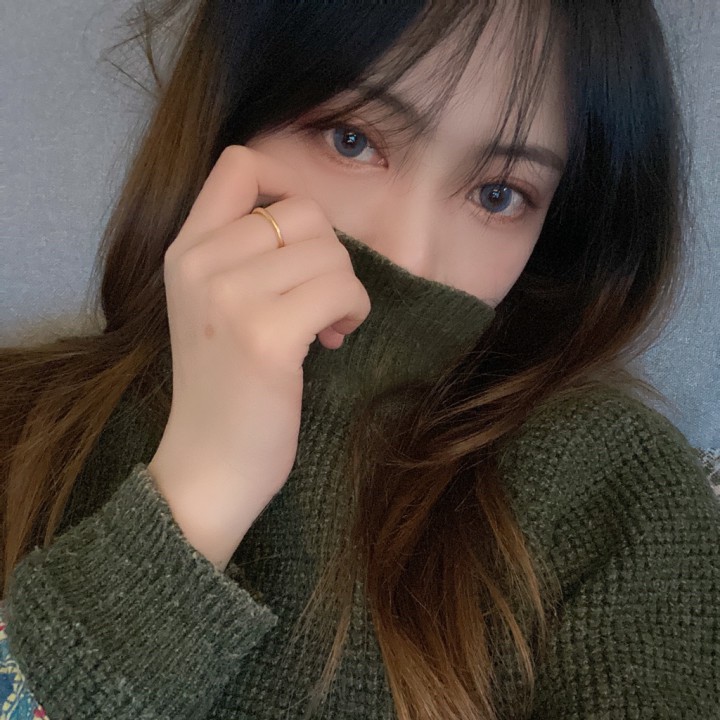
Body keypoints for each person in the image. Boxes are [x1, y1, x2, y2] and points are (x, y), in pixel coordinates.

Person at [1, 0, 718, 718]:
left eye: (498, 195)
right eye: (351, 140)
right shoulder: (17, 419)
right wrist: (201, 486)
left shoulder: (613, 488)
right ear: (231, 114)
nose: (408, 253)